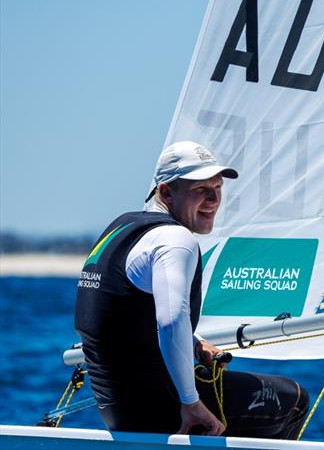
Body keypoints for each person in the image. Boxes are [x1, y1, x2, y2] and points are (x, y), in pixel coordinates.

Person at [74, 141, 308, 437]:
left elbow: (127, 314)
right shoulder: (175, 240)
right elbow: (170, 321)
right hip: (162, 407)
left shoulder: (121, 228)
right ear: (166, 192)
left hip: (120, 408)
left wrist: (194, 342)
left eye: (218, 188)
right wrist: (191, 402)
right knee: (294, 398)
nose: (213, 199)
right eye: (201, 190)